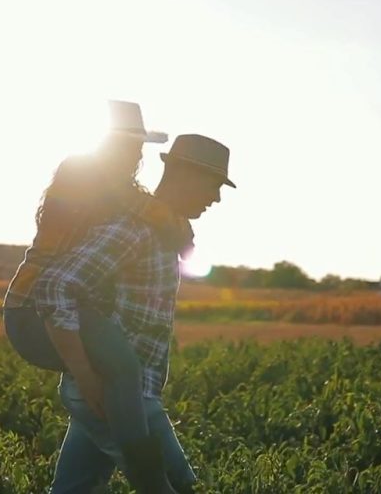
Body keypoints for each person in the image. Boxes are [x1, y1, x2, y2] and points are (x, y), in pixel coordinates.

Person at [3, 101, 191, 492]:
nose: (138, 154)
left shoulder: (120, 191)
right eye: (131, 145)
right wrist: (86, 378)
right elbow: (57, 284)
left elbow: (160, 220)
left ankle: (149, 471)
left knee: (80, 474)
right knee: (122, 367)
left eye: (140, 146)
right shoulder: (87, 179)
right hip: (31, 307)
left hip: (71, 306)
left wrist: (177, 230)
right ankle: (150, 477)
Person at [33, 134, 235, 493]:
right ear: (184, 173)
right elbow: (54, 286)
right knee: (176, 485)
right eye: (214, 185)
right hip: (117, 395)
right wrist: (85, 373)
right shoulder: (135, 229)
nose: (217, 199)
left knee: (74, 488)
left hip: (116, 391)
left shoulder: (160, 231)